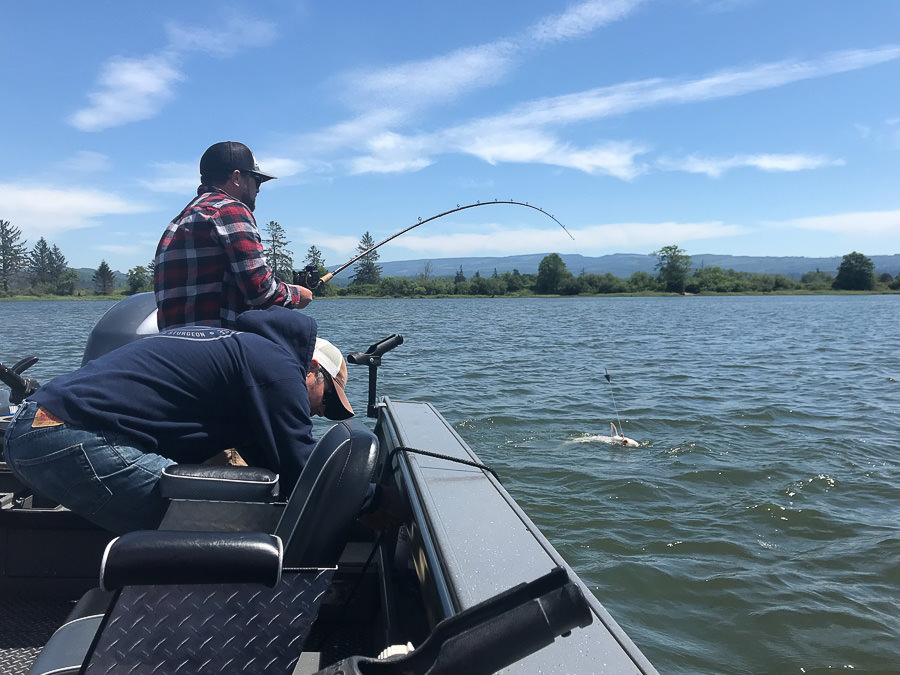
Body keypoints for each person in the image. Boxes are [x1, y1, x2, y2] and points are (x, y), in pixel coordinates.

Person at [2, 306, 353, 534]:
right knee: (224, 527)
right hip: (73, 437)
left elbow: (276, 468)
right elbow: (302, 467)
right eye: (327, 402)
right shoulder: (278, 368)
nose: (320, 413)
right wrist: (367, 499)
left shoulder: (240, 350)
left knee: (231, 507)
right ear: (312, 370)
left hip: (34, 429)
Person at [154, 141, 313, 330]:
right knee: (315, 344)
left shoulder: (178, 222)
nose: (258, 189)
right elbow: (261, 292)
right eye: (257, 180)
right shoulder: (230, 210)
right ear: (237, 177)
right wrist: (299, 294)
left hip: (174, 346)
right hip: (217, 345)